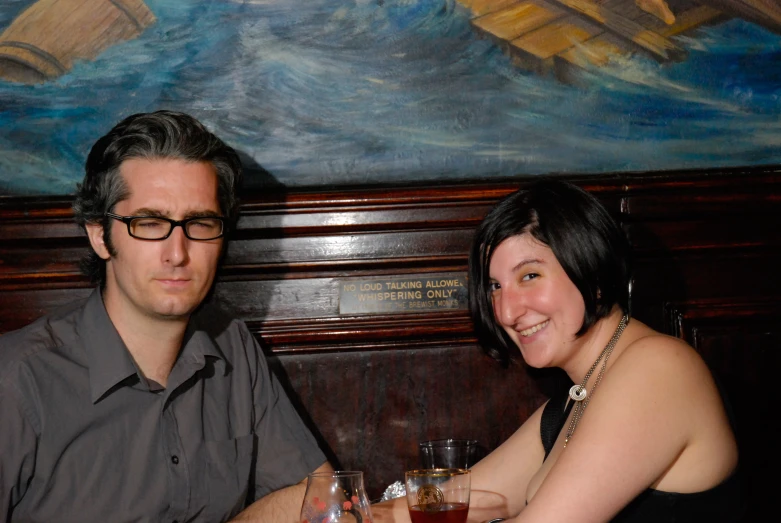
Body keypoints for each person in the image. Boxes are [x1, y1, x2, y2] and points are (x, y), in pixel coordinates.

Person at [0, 110, 332, 522]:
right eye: (150, 223)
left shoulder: (232, 345)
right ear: (100, 235)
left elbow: (321, 499)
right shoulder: (16, 379)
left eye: (200, 223)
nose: (178, 253)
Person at [373, 179, 741, 523]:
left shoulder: (658, 369)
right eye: (495, 286)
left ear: (594, 275)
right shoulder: (574, 401)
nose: (506, 311)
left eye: (529, 276)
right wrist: (348, 514)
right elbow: (453, 500)